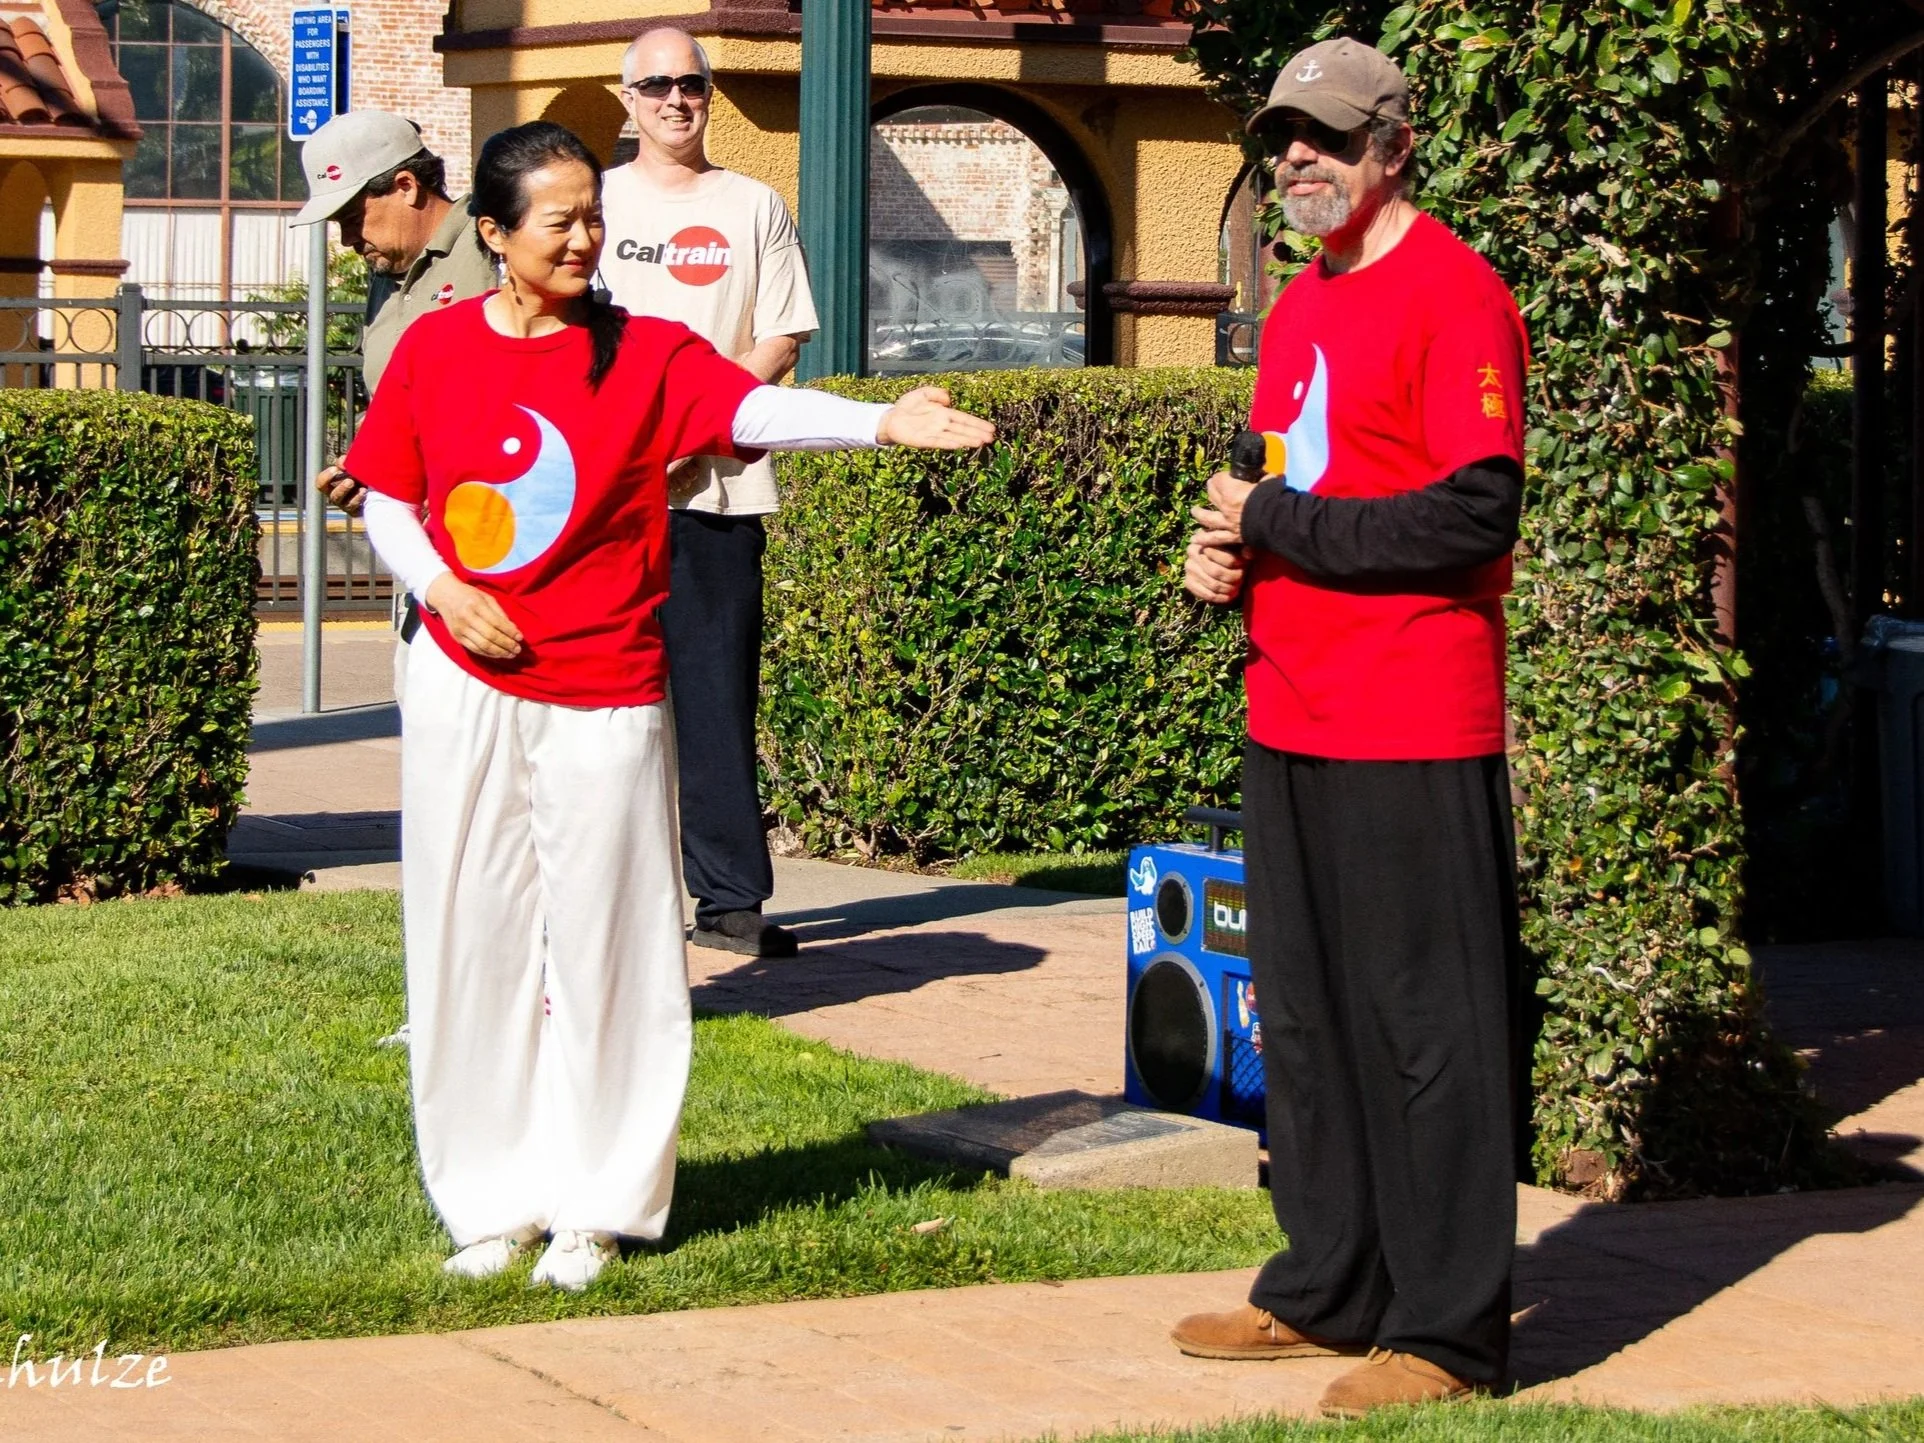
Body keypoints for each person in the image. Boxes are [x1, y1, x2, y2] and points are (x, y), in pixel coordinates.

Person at [342, 121, 994, 1291]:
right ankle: (489, 1201)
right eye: (560, 220)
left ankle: (597, 1206)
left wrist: (880, 421)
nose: (585, 238)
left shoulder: (643, 352)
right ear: (494, 233)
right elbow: (388, 494)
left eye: (593, 216)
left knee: (613, 944)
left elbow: (751, 411)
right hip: (463, 679)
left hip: (602, 687)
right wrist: (440, 585)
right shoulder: (437, 349)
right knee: (467, 936)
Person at [1170, 37, 1531, 1418]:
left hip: (1413, 715)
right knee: (1310, 1018)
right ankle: (1328, 1287)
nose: (1297, 160)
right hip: (1291, 702)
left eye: (1325, 137)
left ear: (1394, 147)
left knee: (1427, 1031)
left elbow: (1474, 512)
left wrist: (1281, 522)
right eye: (1284, 138)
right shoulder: (1301, 302)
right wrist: (1227, 552)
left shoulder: (1457, 293)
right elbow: (1283, 478)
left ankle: (1449, 1333)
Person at [597, 27, 819, 959]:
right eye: (656, 85)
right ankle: (609, 895)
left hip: (718, 492)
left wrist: (693, 431)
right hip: (604, 497)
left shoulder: (754, 206)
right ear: (627, 98)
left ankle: (729, 901)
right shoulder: (592, 202)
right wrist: (629, 447)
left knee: (717, 699)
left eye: (691, 83)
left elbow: (781, 337)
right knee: (606, 706)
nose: (675, 100)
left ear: (709, 93)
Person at [295, 112, 498, 706]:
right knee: (425, 720)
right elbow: (396, 399)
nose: (347, 240)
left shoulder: (489, 242)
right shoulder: (387, 274)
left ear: (406, 186)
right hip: (422, 549)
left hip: (495, 538)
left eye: (352, 217)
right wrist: (369, 466)